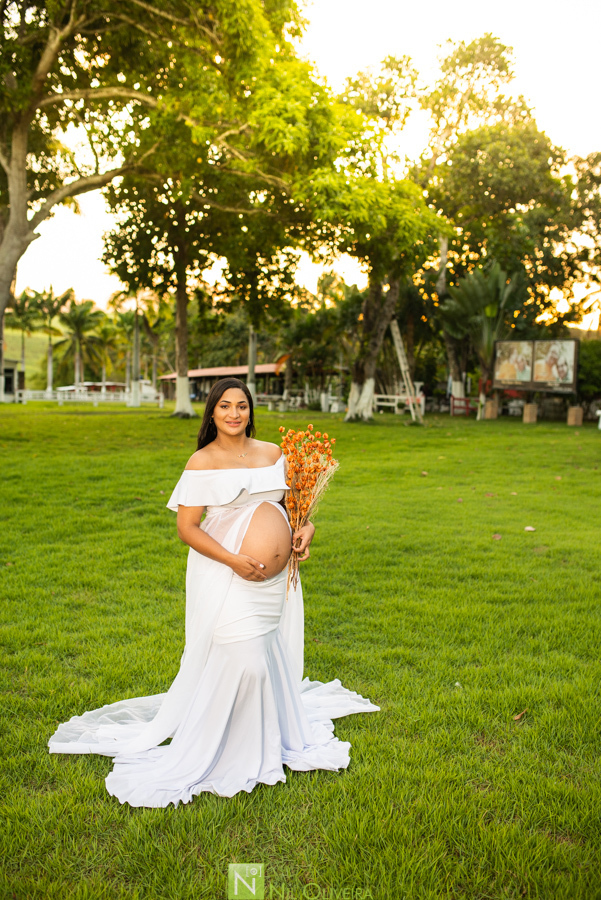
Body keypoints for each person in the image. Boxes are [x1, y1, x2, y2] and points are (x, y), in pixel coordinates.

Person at [49, 377, 379, 807]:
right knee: (244, 660)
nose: (234, 414)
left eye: (241, 406)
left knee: (263, 656)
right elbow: (187, 528)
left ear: (250, 411)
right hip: (227, 572)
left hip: (275, 581)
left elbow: (292, 507)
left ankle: (270, 735)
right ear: (212, 413)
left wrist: (307, 530)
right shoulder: (201, 462)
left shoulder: (272, 453)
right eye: (225, 407)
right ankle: (230, 750)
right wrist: (232, 559)